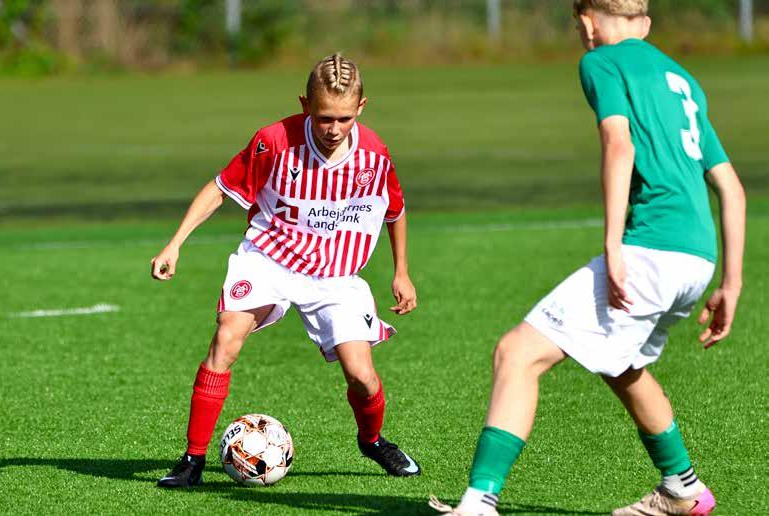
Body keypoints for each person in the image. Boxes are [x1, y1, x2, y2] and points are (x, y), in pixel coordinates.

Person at [430, 1, 745, 514]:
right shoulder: (684, 81)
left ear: (586, 21)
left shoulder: (601, 61)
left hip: (653, 249)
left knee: (517, 354)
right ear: (645, 24)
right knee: (622, 364)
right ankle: (683, 488)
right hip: (698, 258)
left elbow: (619, 144)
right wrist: (731, 284)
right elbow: (731, 189)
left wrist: (614, 244)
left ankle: (479, 502)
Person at [151, 53, 420, 488]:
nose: (333, 129)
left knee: (362, 375)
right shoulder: (273, 142)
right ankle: (192, 460)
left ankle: (372, 441)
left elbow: (395, 210)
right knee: (226, 338)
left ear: (361, 107)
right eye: (324, 117)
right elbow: (220, 189)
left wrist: (401, 271)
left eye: (344, 118)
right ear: (304, 105)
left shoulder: (374, 154)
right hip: (268, 258)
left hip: (335, 274)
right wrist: (175, 243)